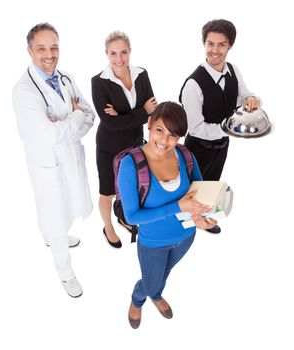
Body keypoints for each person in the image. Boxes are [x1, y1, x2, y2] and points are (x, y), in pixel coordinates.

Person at [12, 23, 95, 297]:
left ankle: (53, 236)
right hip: (46, 162)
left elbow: (90, 115)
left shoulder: (66, 78)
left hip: (69, 156)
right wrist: (75, 116)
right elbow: (50, 136)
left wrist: (69, 123)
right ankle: (65, 272)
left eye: (54, 47)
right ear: (30, 51)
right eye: (42, 48)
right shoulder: (24, 91)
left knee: (68, 204)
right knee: (53, 212)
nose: (49, 54)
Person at [117, 102, 217, 329]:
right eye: (160, 130)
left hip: (186, 237)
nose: (164, 140)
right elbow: (132, 217)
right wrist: (178, 207)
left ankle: (156, 291)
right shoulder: (131, 164)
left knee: (164, 273)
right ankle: (140, 297)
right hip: (153, 242)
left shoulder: (185, 154)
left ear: (180, 137)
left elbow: (200, 191)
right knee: (151, 282)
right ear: (149, 125)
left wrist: (204, 216)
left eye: (173, 135)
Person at [179, 19, 261, 233]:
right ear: (204, 43)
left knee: (211, 186)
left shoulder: (233, 69)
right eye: (210, 43)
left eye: (221, 44)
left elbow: (243, 94)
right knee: (192, 190)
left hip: (222, 145)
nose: (214, 50)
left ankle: (204, 220)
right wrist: (230, 128)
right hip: (198, 148)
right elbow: (195, 128)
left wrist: (251, 99)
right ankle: (183, 225)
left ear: (230, 46)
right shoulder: (193, 84)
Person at [91, 31, 157, 248]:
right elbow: (110, 124)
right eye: (113, 53)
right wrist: (140, 112)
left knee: (132, 189)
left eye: (123, 52)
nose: (119, 59)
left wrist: (123, 116)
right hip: (109, 147)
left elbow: (152, 110)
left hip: (136, 144)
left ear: (130, 51)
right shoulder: (99, 82)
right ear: (106, 54)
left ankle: (123, 218)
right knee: (108, 192)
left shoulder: (141, 74)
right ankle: (108, 227)